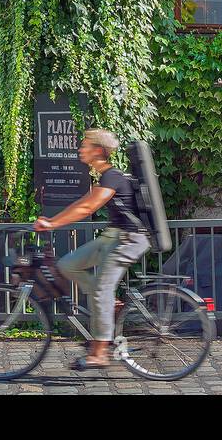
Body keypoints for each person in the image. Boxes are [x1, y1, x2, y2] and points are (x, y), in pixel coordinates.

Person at [33, 128, 150, 370]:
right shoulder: (105, 178)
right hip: (111, 238)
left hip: (128, 239)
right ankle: (108, 303)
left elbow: (87, 208)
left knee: (101, 290)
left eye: (84, 144)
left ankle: (99, 353)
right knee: (67, 264)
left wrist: (52, 223)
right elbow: (82, 204)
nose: (80, 148)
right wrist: (52, 221)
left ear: (97, 150)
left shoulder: (112, 177)